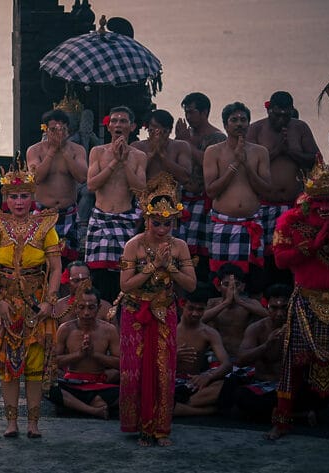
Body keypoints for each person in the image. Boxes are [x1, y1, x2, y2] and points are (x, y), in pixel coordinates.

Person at [0, 161, 62, 438]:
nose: (18, 202)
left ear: (32, 196)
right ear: (6, 198)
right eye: (13, 196)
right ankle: (11, 422)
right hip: (4, 297)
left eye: (24, 196)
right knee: (7, 361)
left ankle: (34, 423)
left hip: (36, 298)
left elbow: (56, 267)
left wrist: (50, 300)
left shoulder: (45, 224)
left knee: (35, 362)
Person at [267, 161, 329, 440]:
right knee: (293, 364)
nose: (325, 207)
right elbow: (279, 260)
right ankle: (283, 421)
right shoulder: (290, 222)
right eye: (319, 201)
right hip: (305, 302)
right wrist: (306, 250)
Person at [118, 173, 197, 447]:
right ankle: (141, 426)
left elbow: (191, 284)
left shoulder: (180, 247)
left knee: (164, 371)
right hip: (135, 313)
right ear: (146, 218)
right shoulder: (134, 246)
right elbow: (126, 285)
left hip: (165, 312)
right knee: (137, 371)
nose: (162, 229)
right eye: (156, 222)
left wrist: (170, 267)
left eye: (167, 223)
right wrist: (153, 267)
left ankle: (161, 428)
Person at [247, 92, 320, 290]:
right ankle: (265, 300)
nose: (281, 119)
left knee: (293, 254)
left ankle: (293, 297)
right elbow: (249, 165)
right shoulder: (256, 129)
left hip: (293, 205)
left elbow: (314, 159)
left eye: (285, 115)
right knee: (264, 256)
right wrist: (278, 149)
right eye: (276, 115)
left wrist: (291, 151)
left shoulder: (300, 127)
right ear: (268, 110)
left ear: (291, 112)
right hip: (263, 204)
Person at [86, 106, 147, 302]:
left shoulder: (139, 156)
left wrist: (124, 161)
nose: (118, 124)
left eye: (123, 121)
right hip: (100, 219)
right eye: (114, 121)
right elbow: (91, 185)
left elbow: (140, 190)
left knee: (124, 273)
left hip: (125, 219)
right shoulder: (97, 152)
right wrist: (113, 163)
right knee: (98, 275)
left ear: (132, 126)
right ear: (109, 126)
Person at [203, 102, 271, 277]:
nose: (239, 123)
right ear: (225, 125)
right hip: (222, 224)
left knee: (252, 280)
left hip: (251, 224)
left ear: (249, 123)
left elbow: (266, 190)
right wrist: (234, 164)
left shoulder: (260, 152)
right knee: (220, 279)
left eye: (243, 119)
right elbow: (211, 191)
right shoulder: (213, 151)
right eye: (234, 120)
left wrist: (246, 164)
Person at [221, 284, 292, 422]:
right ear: (266, 306)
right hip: (262, 382)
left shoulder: (299, 328)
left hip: (286, 386)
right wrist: (266, 345)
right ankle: (295, 415)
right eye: (274, 308)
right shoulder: (257, 328)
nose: (279, 313)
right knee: (232, 382)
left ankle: (287, 415)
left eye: (284, 308)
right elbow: (241, 359)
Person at [174, 93, 226, 278]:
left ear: (205, 112)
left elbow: (210, 163)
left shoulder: (217, 137)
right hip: (184, 198)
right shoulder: (187, 135)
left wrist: (186, 142)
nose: (188, 117)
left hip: (205, 201)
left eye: (192, 112)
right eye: (186, 112)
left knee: (203, 251)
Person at [27, 109, 88, 264]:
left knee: (68, 260)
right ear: (46, 130)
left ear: (68, 130)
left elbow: (82, 177)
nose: (57, 134)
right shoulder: (35, 150)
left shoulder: (77, 150)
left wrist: (65, 152)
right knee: (39, 260)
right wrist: (53, 151)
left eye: (62, 130)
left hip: (69, 213)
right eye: (53, 130)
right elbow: (36, 178)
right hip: (43, 213)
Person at [49, 289, 120, 420]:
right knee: (48, 388)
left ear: (98, 308)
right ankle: (93, 409)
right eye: (81, 307)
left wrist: (95, 355)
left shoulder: (109, 330)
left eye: (91, 307)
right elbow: (53, 361)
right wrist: (78, 355)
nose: (86, 313)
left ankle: (78, 406)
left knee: (130, 390)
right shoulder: (65, 329)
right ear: (75, 308)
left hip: (100, 383)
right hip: (73, 384)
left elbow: (120, 364)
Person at [173, 283, 232, 416]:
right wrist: (172, 357)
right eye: (191, 308)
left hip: (194, 383)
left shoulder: (209, 333)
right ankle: (203, 410)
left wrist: (208, 376)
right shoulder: (168, 328)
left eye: (200, 310)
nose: (195, 314)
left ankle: (180, 407)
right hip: (169, 381)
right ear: (182, 304)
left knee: (227, 385)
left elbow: (227, 364)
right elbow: (150, 361)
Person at [200, 264, 268, 358]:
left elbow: (270, 316)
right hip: (218, 357)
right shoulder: (212, 303)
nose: (231, 289)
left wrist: (240, 302)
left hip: (243, 357)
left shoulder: (251, 303)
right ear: (218, 287)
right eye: (226, 284)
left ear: (242, 287)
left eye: (236, 285)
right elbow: (198, 320)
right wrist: (225, 303)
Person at [131, 109, 192, 185]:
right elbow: (131, 176)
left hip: (171, 194)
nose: (157, 133)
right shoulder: (137, 146)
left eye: (162, 130)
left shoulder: (181, 146)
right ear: (148, 129)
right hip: (144, 194)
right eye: (153, 128)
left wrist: (162, 156)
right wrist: (151, 155)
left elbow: (185, 178)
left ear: (169, 131)